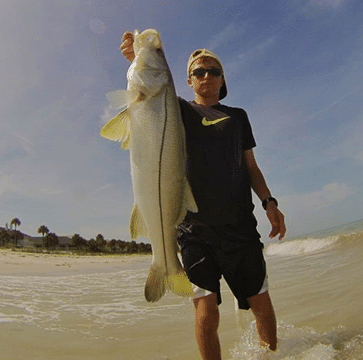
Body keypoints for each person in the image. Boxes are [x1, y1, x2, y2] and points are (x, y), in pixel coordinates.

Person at [120, 32, 286, 360]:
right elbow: (151, 98)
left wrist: (269, 203)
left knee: (263, 309)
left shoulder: (238, 117)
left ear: (223, 80)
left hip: (240, 228)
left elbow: (251, 166)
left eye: (213, 71)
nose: (206, 76)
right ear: (188, 81)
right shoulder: (177, 111)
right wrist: (134, 58)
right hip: (193, 231)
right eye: (198, 72)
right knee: (206, 315)